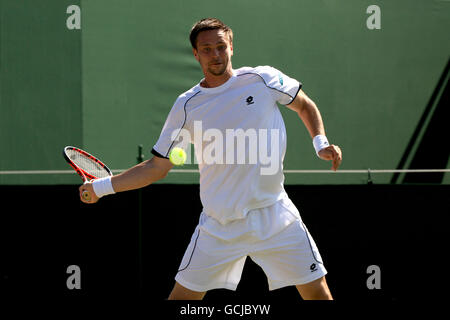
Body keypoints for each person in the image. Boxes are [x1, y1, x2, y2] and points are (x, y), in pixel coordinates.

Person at [80, 18, 342, 300]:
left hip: (276, 215)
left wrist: (320, 142)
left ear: (231, 47)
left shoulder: (263, 79)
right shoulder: (187, 105)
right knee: (182, 300)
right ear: (195, 54)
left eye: (221, 47)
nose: (215, 55)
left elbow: (304, 104)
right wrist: (100, 188)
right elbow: (157, 167)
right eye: (206, 49)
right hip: (219, 226)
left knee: (317, 292)